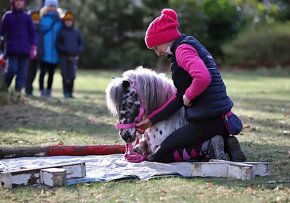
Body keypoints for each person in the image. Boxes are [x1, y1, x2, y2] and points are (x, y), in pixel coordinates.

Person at [136, 8, 246, 163]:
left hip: (210, 119)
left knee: (159, 155)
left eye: (156, 47)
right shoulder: (187, 45)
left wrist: (189, 95)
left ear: (164, 38)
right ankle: (222, 144)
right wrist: (151, 120)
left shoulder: (182, 50)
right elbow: (178, 97)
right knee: (168, 147)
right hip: (217, 117)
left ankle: (208, 148)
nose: (157, 52)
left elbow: (202, 77)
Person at [0, 0, 36, 97]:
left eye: (21, 1)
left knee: (22, 73)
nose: (19, 3)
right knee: (12, 69)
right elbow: (2, 31)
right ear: (13, 2)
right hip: (12, 49)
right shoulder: (8, 16)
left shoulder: (27, 17)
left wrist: (33, 47)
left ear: (24, 3)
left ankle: (18, 93)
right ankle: (4, 86)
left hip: (25, 50)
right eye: (17, 1)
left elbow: (32, 33)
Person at [56, 11, 83, 98]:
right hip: (63, 57)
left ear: (72, 22)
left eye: (70, 21)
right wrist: (65, 50)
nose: (68, 22)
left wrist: (76, 50)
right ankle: (65, 92)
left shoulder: (77, 32)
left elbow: (81, 45)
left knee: (72, 76)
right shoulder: (61, 32)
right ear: (64, 22)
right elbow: (57, 44)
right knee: (65, 75)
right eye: (67, 21)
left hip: (73, 57)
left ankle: (70, 93)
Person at [38, 0, 62, 97]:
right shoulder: (41, 18)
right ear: (46, 7)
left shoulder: (60, 20)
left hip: (55, 52)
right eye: (50, 5)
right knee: (42, 72)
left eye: (54, 6)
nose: (52, 8)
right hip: (43, 50)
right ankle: (41, 90)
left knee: (51, 73)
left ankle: (49, 90)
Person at [25, 10, 41, 96]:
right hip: (27, 53)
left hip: (38, 54)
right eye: (33, 18)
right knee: (28, 72)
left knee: (34, 72)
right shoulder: (26, 29)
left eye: (37, 18)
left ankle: (29, 87)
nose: (35, 20)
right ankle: (28, 89)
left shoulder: (41, 30)